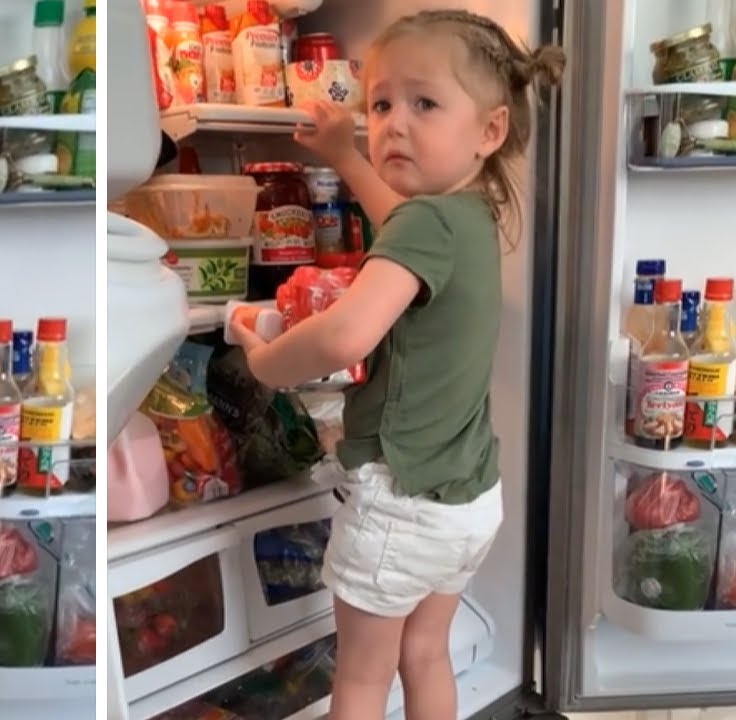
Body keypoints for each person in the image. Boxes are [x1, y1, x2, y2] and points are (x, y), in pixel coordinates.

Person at [227, 10, 564, 720]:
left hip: (403, 504)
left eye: (424, 103)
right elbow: (399, 223)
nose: (393, 123)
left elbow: (345, 336)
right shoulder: (472, 211)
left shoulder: (427, 223)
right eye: (380, 105)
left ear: (491, 129)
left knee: (359, 677)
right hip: (468, 499)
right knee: (425, 653)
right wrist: (345, 156)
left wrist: (264, 362)